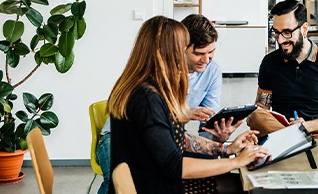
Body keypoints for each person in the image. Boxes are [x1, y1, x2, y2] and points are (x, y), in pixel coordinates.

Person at [106, 15, 267, 193]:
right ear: (168, 52)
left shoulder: (153, 88)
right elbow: (175, 166)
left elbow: (177, 138)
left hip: (156, 178)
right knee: (242, 185)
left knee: (237, 182)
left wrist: (226, 148)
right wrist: (235, 161)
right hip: (156, 185)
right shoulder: (147, 98)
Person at [247, 0, 318, 139]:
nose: (280, 40)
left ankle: (292, 138)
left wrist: (305, 127)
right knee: (255, 114)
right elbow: (261, 108)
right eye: (276, 33)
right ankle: (292, 138)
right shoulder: (269, 62)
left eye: (287, 33)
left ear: (304, 29)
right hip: (280, 132)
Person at [182, 14, 239, 141]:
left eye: (211, 52)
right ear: (181, 49)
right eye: (199, 53)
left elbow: (207, 126)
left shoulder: (213, 71)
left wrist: (219, 136)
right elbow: (154, 119)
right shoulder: (163, 70)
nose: (206, 60)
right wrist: (184, 113)